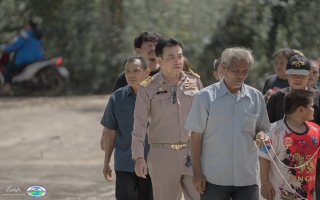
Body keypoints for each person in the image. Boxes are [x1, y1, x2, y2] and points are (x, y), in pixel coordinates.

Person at [184, 47, 271, 200]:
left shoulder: (256, 97)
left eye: (245, 71)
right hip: (213, 178)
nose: (241, 76)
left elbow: (261, 127)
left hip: (247, 178)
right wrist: (197, 173)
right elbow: (195, 136)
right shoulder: (205, 97)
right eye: (236, 71)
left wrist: (261, 134)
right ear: (224, 68)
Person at [132, 37, 203, 200]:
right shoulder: (147, 88)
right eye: (171, 57)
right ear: (159, 60)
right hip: (162, 155)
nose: (177, 61)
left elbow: (205, 120)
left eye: (179, 56)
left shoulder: (195, 81)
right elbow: (140, 125)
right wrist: (139, 157)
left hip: (193, 154)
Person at [266, 54, 320, 200]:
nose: (297, 78)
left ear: (310, 74)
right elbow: (267, 128)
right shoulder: (277, 97)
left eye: (301, 75)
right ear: (286, 74)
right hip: (281, 168)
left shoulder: (317, 97)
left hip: (312, 168)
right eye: (293, 74)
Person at [101, 56, 153, 200]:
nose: (131, 75)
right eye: (127, 71)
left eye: (136, 71)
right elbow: (110, 132)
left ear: (147, 72)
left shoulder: (158, 96)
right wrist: (107, 163)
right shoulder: (117, 98)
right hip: (125, 162)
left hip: (152, 163)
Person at [259, 89, 320, 200]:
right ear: (301, 110)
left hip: (307, 195)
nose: (314, 109)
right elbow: (264, 157)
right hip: (280, 194)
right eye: (311, 106)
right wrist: (265, 183)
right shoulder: (275, 131)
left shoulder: (316, 130)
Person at [0, 20, 44, 94]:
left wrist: (5, 49)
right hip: (38, 58)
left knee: (9, 68)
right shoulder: (36, 36)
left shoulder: (26, 35)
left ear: (30, 26)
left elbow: (15, 45)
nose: (25, 27)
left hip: (26, 59)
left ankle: (7, 87)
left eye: (26, 25)